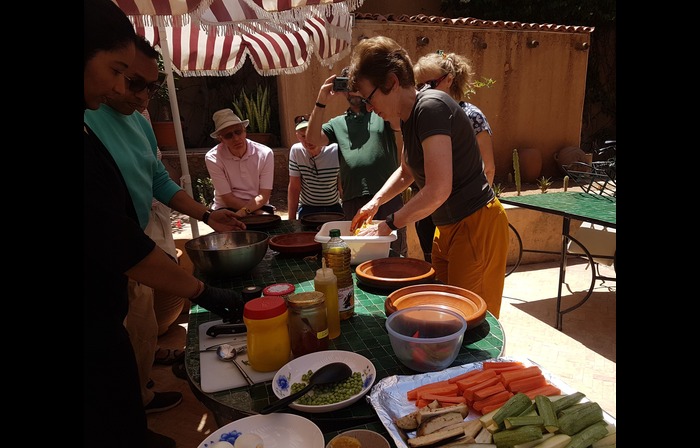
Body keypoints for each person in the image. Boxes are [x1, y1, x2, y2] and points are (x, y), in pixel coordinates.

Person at [84, 2, 246, 447]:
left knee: (136, 335)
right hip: (117, 252)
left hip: (131, 245)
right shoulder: (90, 114)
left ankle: (138, 400)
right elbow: (106, 230)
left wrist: (207, 214)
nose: (137, 94)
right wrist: (205, 293)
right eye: (125, 77)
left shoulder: (137, 121)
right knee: (118, 345)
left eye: (150, 87)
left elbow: (158, 179)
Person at [346, 36, 509, 319]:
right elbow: (407, 171)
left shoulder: (431, 107)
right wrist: (376, 202)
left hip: (475, 225)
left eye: (369, 98)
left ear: (392, 82)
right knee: (446, 315)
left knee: (470, 321)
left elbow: (438, 189)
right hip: (445, 227)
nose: (369, 108)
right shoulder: (408, 118)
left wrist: (388, 224)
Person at [305, 68, 408, 257]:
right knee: (358, 253)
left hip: (387, 197)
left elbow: (398, 122)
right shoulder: (337, 123)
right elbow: (312, 139)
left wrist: (371, 97)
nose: (352, 91)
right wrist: (321, 100)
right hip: (353, 200)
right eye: (347, 85)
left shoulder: (380, 113)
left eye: (356, 85)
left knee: (394, 254)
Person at [411, 50, 496, 262]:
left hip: (464, 215)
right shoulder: (421, 116)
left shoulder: (472, 116)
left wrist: (474, 213)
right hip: (431, 214)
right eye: (418, 86)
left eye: (429, 84)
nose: (422, 91)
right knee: (433, 270)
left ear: (449, 80)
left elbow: (488, 168)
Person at [205, 108, 276, 217]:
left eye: (238, 132)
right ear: (221, 139)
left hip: (258, 205)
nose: (236, 138)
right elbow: (227, 198)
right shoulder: (212, 158)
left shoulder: (265, 153)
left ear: (245, 131)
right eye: (228, 135)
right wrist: (255, 213)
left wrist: (246, 211)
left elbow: (264, 194)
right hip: (225, 208)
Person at [287, 114, 342, 220]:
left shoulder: (335, 150)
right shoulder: (296, 151)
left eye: (311, 135)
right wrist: (291, 220)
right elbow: (294, 187)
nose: (308, 140)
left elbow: (341, 185)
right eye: (303, 136)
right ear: (297, 136)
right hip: (308, 207)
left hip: (333, 206)